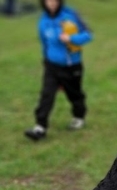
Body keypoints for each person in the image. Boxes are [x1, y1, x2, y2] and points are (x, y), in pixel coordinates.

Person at [25, 0, 92, 141]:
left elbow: (88, 35)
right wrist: (45, 61)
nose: (52, 3)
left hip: (71, 66)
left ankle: (79, 116)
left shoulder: (71, 15)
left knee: (74, 95)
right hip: (52, 66)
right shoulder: (43, 20)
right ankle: (40, 127)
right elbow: (44, 43)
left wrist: (71, 38)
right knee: (46, 95)